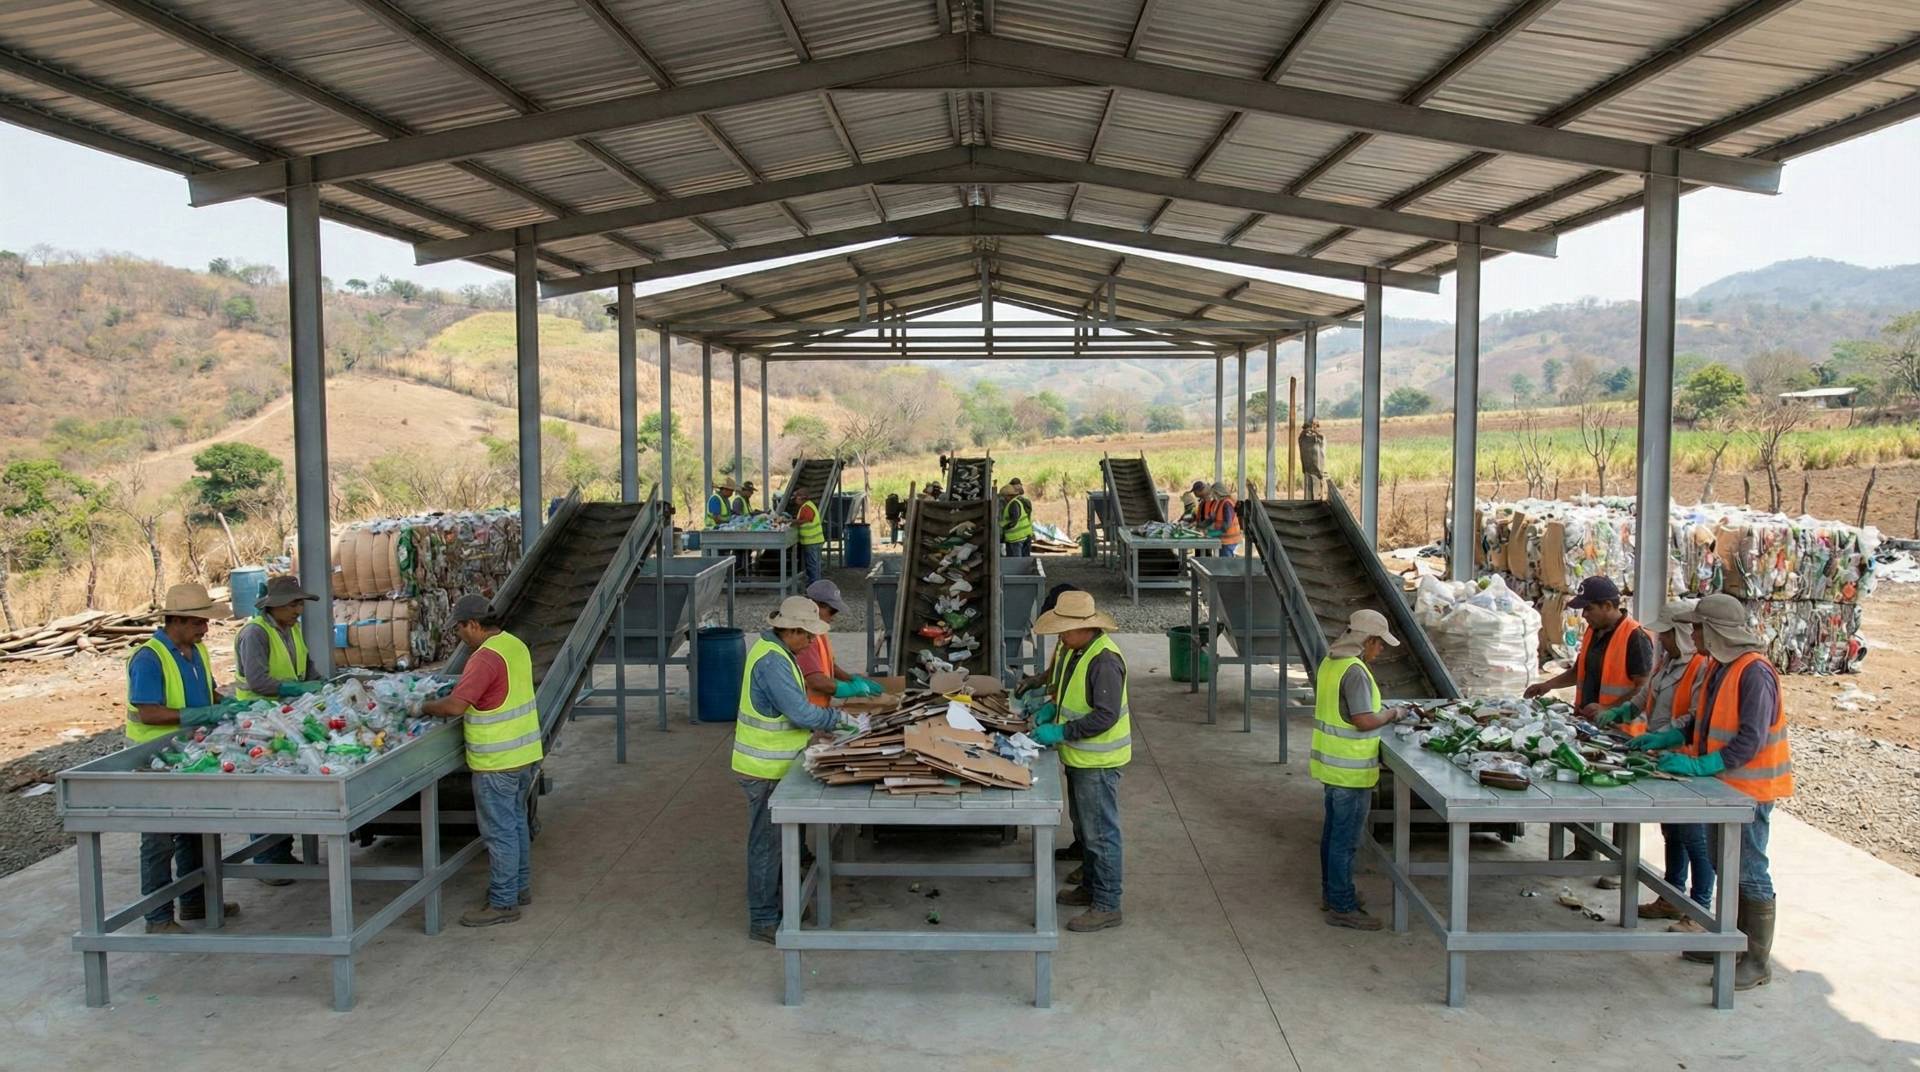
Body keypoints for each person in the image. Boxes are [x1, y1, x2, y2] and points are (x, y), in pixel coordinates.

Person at [1632, 594, 1792, 991]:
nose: (1693, 633)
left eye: (1699, 627)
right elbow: (1701, 720)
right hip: (1724, 787)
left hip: (1750, 789)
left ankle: (1755, 960)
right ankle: (1731, 943)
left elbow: (1750, 739)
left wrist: (1700, 764)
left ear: (1716, 631)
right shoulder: (1720, 667)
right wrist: (1669, 736)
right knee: (1728, 864)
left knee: (1750, 871)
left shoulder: (1754, 672)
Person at [733, 596, 862, 944]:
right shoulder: (773, 662)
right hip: (762, 768)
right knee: (767, 844)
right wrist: (841, 720)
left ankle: (778, 904)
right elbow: (801, 714)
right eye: (806, 635)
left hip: (775, 765)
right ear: (789, 630)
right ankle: (763, 918)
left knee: (774, 843)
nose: (810, 642)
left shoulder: (777, 651)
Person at [421, 594, 544, 928]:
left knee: (500, 832)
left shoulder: (484, 658)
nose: (459, 635)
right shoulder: (514, 645)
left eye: (459, 628)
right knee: (516, 824)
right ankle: (519, 889)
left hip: (497, 761)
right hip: (524, 755)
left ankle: (503, 903)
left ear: (473, 624)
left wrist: (423, 707)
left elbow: (455, 707)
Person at [125, 583, 242, 933]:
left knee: (196, 827)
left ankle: (195, 902)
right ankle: (158, 917)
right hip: (154, 756)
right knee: (160, 838)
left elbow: (209, 693)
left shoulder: (197, 651)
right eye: (197, 623)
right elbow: (149, 713)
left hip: (190, 751)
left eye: (205, 623)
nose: (205, 629)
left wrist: (231, 707)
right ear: (175, 620)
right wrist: (197, 715)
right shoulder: (149, 658)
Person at [1523, 575, 1652, 887]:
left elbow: (1644, 687)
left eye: (1589, 609)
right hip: (1590, 726)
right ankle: (1586, 849)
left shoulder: (1635, 638)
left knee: (1622, 801)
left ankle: (1622, 865)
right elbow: (1579, 671)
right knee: (1583, 786)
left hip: (1623, 730)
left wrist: (1611, 710)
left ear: (1609, 606)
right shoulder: (1596, 632)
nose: (1585, 616)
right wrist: (1547, 685)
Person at [1601, 600, 1715, 926]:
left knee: (1694, 835)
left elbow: (1694, 716)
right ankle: (1672, 894)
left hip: (1685, 759)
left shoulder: (1699, 668)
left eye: (1665, 634)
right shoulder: (1667, 661)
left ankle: (1700, 908)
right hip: (1662, 759)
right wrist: (1622, 713)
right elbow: (1646, 694)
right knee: (1672, 831)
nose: (1660, 640)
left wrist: (1664, 736)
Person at [1028, 591, 1129, 933]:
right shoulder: (1078, 651)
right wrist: (1049, 710)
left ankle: (1107, 903)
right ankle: (1090, 884)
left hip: (1097, 762)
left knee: (1101, 833)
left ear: (1086, 627)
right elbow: (1067, 693)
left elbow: (1105, 716)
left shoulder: (1104, 661)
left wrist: (1060, 731)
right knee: (1086, 828)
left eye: (1065, 630)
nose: (1061, 636)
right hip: (1080, 757)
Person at [1311, 609, 1406, 930]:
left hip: (1331, 767)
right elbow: (1363, 719)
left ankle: (1335, 893)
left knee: (1332, 836)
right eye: (1379, 645)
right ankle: (1342, 906)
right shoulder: (1355, 671)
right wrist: (1392, 713)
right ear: (1367, 641)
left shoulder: (1331, 662)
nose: (1380, 652)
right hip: (1350, 772)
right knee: (1345, 841)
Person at [233, 575, 324, 882]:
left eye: (300, 603)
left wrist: (318, 686)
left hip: (286, 719)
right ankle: (268, 859)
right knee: (266, 791)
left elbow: (308, 668)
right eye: (294, 604)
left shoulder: (293, 630)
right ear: (276, 606)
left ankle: (281, 853)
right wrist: (298, 690)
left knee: (285, 783)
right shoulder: (255, 634)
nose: (299, 610)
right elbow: (258, 682)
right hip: (258, 721)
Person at [799, 580, 883, 706]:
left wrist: (851, 679)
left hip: (818, 710)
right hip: (807, 712)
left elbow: (829, 665)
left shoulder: (820, 631)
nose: (833, 617)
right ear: (814, 606)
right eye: (832, 611)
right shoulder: (802, 635)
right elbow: (815, 680)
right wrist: (848, 689)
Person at [1200, 481, 1242, 556]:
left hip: (1229, 540)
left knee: (1226, 565)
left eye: (1214, 493)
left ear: (1218, 492)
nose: (1212, 495)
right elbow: (1211, 519)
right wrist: (1199, 526)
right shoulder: (1218, 502)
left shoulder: (1227, 504)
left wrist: (1212, 533)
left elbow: (1226, 525)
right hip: (1223, 538)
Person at [792, 492, 826, 585]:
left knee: (812, 566)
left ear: (800, 498)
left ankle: (814, 588)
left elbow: (806, 519)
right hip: (815, 540)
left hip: (812, 541)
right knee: (815, 565)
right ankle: (816, 586)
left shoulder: (807, 507)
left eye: (796, 499)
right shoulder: (808, 505)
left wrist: (791, 522)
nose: (795, 501)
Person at [999, 483, 1033, 557]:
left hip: (1016, 538)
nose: (1004, 499)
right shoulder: (1018, 501)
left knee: (1015, 562)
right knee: (1022, 561)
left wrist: (1003, 527)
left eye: (1004, 497)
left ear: (1008, 496)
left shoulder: (1013, 504)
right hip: (1024, 536)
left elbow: (1014, 521)